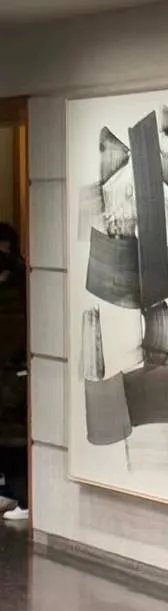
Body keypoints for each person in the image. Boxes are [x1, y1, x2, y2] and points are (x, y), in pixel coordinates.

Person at [0, 221, 29, 523]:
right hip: (11, 371)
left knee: (13, 436)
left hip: (13, 373)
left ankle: (22, 496)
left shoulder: (18, 289)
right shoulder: (20, 284)